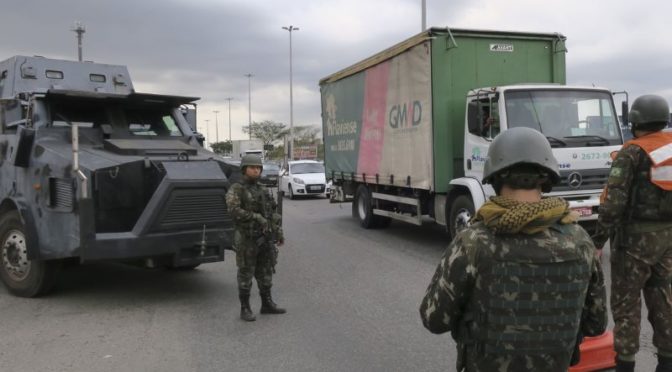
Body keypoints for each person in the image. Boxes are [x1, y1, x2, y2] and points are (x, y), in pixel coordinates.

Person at [420, 127, 607, 371]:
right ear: (547, 178)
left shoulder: (473, 241)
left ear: (495, 178)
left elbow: (434, 318)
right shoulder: (580, 241)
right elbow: (596, 324)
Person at [592, 94, 672, 372]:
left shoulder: (632, 153)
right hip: (667, 241)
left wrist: (597, 240)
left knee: (627, 307)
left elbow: (614, 204)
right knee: (664, 303)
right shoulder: (671, 149)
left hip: (633, 244)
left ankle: (625, 364)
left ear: (635, 120)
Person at [225, 154, 286, 321]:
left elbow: (272, 213)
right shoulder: (237, 189)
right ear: (244, 169)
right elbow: (233, 210)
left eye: (258, 168)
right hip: (246, 238)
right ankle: (245, 308)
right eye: (252, 168)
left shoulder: (263, 189)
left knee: (266, 272)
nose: (256, 170)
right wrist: (255, 217)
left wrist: (278, 231)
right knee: (245, 274)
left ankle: (267, 304)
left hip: (264, 238)